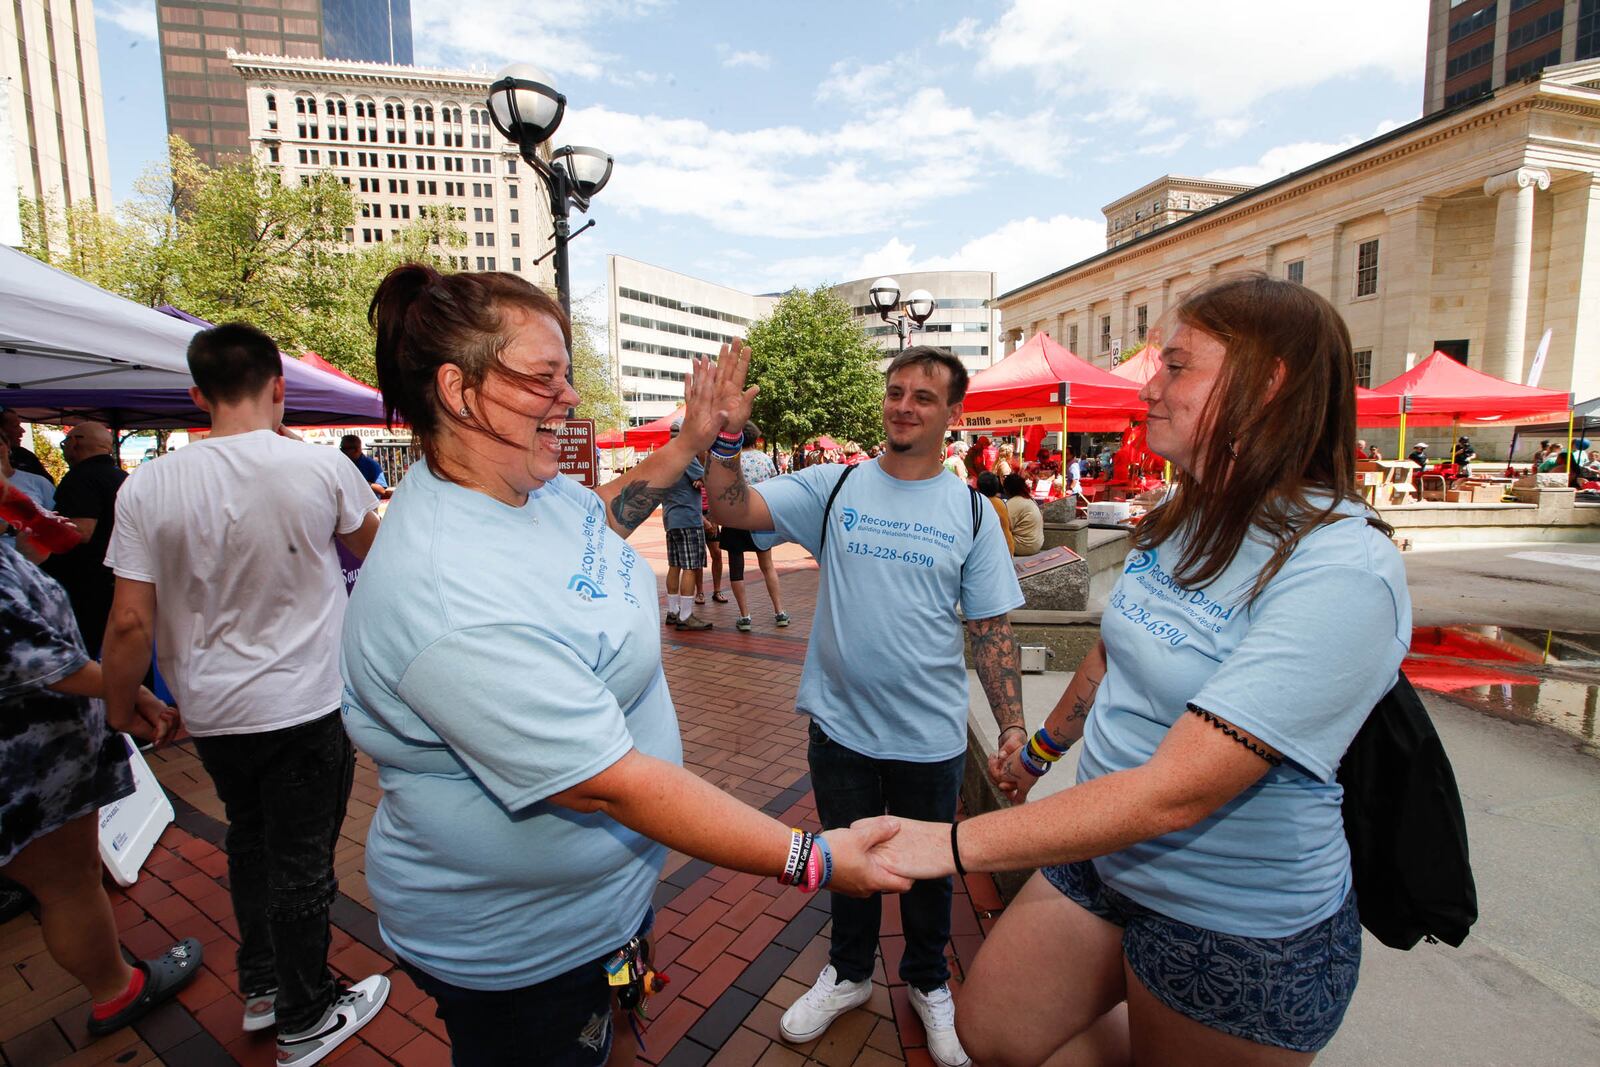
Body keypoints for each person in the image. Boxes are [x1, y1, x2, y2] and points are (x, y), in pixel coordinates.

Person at [340, 264, 906, 1067]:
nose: (570, 395)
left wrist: (695, 440)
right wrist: (813, 858)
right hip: (524, 955)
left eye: (565, 371)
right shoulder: (445, 597)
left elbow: (598, 514)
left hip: (596, 911)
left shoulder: (522, 487)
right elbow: (612, 782)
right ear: (459, 391)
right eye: (544, 376)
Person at [868, 275, 1409, 1065]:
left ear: (1267, 386)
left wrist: (951, 843)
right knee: (993, 1029)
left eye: (1178, 365)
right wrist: (1040, 751)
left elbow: (1177, 790)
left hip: (1234, 916)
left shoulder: (1344, 568)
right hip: (1109, 849)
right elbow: (1117, 648)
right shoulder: (1186, 515)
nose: (1150, 385)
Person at [707, 344, 1027, 1067]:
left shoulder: (973, 512)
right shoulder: (837, 487)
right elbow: (730, 506)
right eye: (896, 390)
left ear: (953, 413)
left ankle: (926, 981)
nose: (904, 405)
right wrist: (726, 440)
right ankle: (849, 974)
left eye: (923, 395)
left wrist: (1011, 723)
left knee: (929, 874)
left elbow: (992, 630)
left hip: (929, 737)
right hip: (841, 728)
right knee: (842, 864)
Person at [101, 323, 389, 1065]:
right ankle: (306, 1010)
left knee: (251, 843)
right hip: (306, 703)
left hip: (213, 712)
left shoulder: (149, 484)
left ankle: (263, 985)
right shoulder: (321, 470)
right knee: (301, 860)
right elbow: (382, 559)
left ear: (197, 394)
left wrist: (119, 706)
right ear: (278, 386)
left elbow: (130, 617)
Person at [0, 487, 201, 1040]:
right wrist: (127, 692)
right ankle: (117, 990)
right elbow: (35, 662)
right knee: (69, 885)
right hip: (28, 765)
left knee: (67, 880)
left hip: (43, 751)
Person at [41, 421, 126, 656]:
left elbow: (80, 531)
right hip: (121, 572)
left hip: (87, 579)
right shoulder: (121, 476)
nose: (65, 448)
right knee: (125, 647)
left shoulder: (81, 478)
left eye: (66, 442)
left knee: (82, 648)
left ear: (76, 442)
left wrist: (36, 530)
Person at [719, 422, 788, 632]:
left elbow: (723, 490)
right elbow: (776, 487)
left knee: (736, 568)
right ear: (756, 438)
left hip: (735, 519)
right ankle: (780, 612)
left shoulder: (731, 461)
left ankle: (744, 615)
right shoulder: (765, 460)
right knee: (767, 565)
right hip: (760, 518)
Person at [662, 420, 712, 632]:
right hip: (688, 518)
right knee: (691, 566)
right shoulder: (686, 454)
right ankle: (686, 615)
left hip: (670, 517)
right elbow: (707, 477)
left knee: (674, 565)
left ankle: (673, 611)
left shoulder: (665, 454)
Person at [0, 405, 52, 483]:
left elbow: (48, 485)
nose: (22, 431)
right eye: (15, 426)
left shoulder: (26, 456)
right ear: (1, 431)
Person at [1003, 473, 1044, 556]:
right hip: (1037, 544)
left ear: (1007, 489)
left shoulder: (1013, 503)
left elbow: (1003, 526)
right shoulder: (1030, 500)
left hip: (1024, 546)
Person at [340, 434, 392, 499]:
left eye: (344, 449)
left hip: (368, 506)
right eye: (341, 449)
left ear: (356, 449)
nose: (341, 452)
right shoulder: (342, 463)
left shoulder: (371, 465)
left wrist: (360, 482)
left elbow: (381, 490)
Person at [977, 471, 1016, 556]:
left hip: (992, 552)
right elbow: (1009, 526)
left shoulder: (979, 503)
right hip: (1008, 548)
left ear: (978, 487)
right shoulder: (1001, 503)